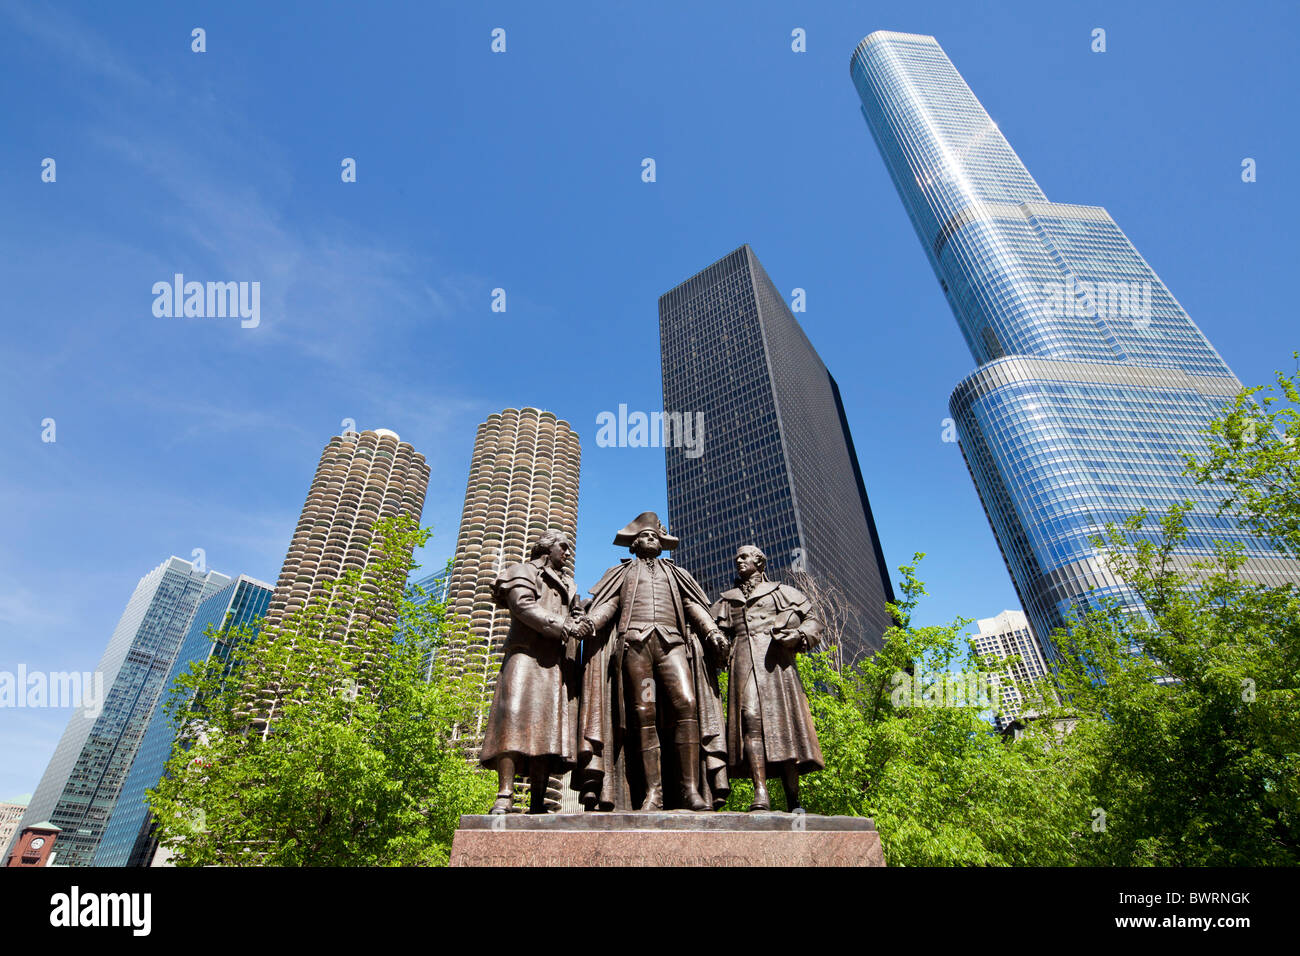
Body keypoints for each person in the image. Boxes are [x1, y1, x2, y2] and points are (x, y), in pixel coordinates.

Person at [573, 512, 730, 811]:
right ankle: (654, 793)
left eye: (655, 537)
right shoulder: (622, 574)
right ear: (633, 545)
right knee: (645, 712)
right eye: (645, 536)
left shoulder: (676, 573)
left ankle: (689, 790)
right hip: (637, 647)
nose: (651, 539)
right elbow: (608, 605)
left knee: (686, 704)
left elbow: (693, 606)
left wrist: (711, 631)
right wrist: (590, 624)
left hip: (671, 647)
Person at [712, 544, 824, 811]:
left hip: (775, 665)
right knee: (750, 719)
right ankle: (760, 791)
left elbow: (813, 621)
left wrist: (798, 636)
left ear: (759, 563)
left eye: (744, 557)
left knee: (782, 726)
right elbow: (712, 629)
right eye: (736, 557)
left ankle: (793, 796)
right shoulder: (727, 599)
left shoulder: (783, 592)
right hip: (743, 663)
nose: (738, 561)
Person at [480, 531, 585, 814]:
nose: (567, 552)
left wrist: (582, 621)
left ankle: (538, 801)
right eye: (563, 547)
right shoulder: (522, 570)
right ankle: (505, 794)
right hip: (525, 654)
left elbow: (577, 616)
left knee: (546, 727)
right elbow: (522, 606)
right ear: (546, 548)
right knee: (513, 717)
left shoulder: (570, 584)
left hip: (555, 662)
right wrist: (565, 625)